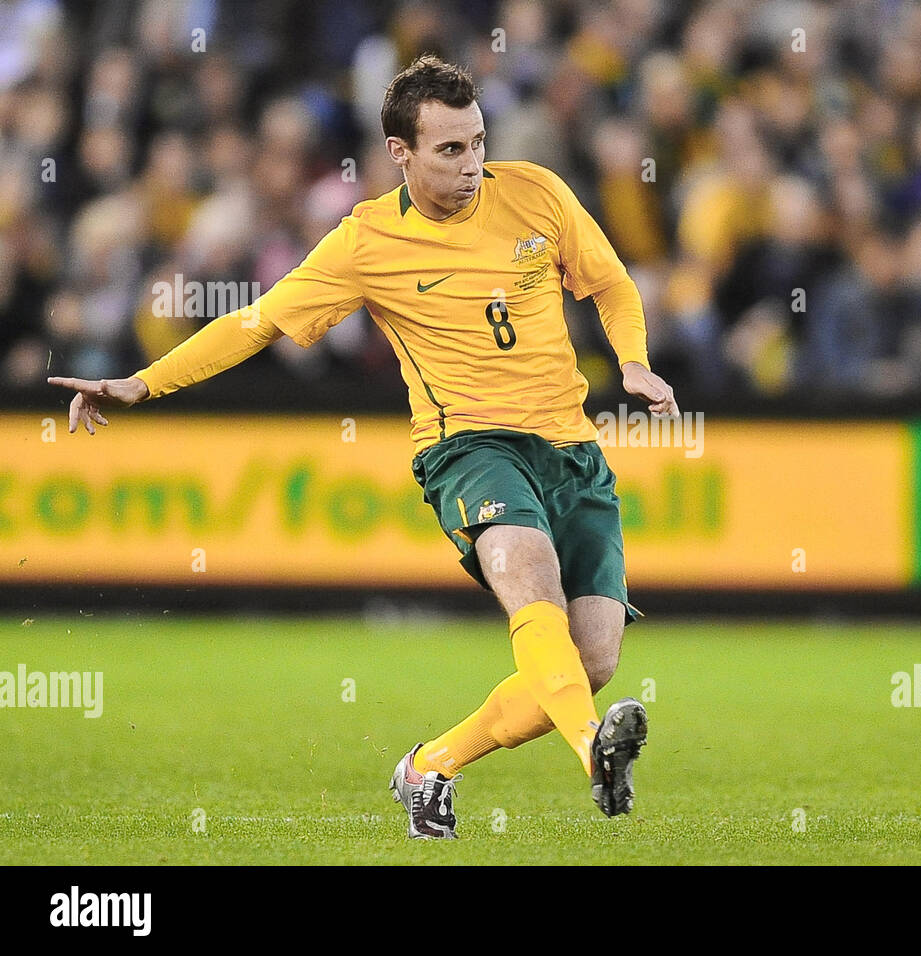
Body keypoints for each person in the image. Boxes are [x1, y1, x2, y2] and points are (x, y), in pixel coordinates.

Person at [47, 54, 678, 840]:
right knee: (532, 582)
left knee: (589, 665)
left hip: (572, 450)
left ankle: (429, 768)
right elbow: (259, 322)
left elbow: (611, 282)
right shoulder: (366, 243)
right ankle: (594, 754)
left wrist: (633, 362)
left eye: (478, 141)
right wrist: (143, 384)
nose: (473, 163)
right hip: (469, 447)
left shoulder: (538, 192)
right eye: (450, 150)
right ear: (400, 154)